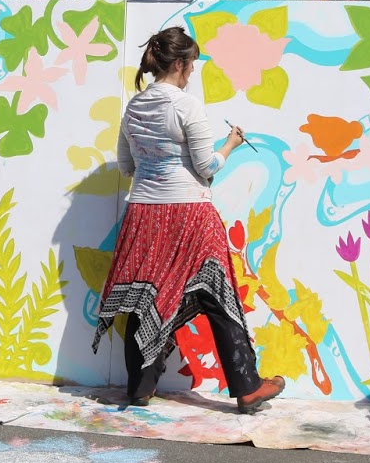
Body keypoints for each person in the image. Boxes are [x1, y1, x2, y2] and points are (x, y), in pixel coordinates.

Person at [92, 26, 286, 413]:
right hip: (190, 213)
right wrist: (230, 144)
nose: (194, 70)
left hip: (143, 214)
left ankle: (140, 388)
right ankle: (247, 387)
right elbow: (206, 165)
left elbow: (128, 167)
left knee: (142, 295)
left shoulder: (134, 107)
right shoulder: (186, 106)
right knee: (218, 295)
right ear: (180, 63)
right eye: (192, 63)